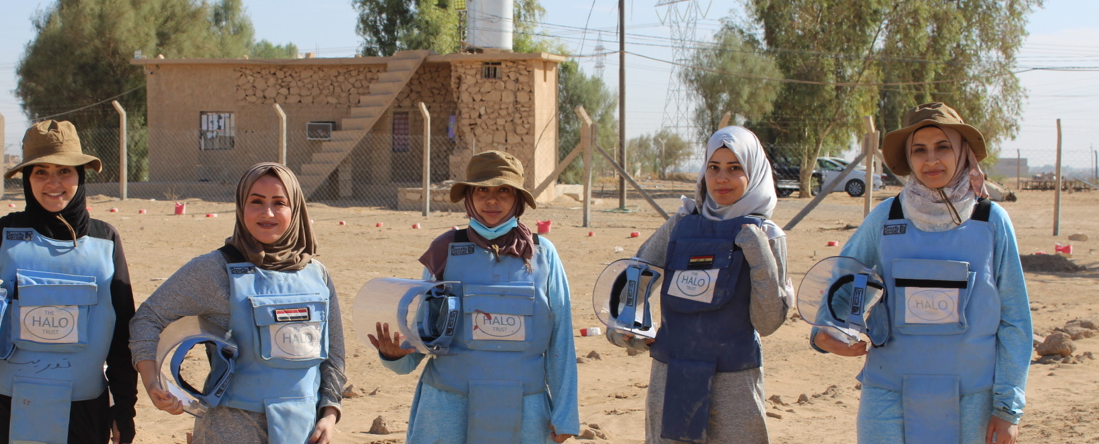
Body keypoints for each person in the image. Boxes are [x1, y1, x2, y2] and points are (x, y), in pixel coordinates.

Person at [811, 102, 1031, 444]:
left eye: (943, 147)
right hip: (888, 391)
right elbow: (845, 279)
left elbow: (1015, 321)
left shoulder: (991, 221)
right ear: (908, 159)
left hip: (972, 396)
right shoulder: (887, 217)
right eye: (919, 150)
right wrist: (827, 330)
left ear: (964, 152)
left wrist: (1007, 409)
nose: (931, 160)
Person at [0, 120, 138, 443]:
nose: (53, 182)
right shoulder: (0, 236)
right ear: (27, 179)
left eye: (64, 171)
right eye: (40, 172)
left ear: (81, 175)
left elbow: (122, 333)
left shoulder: (106, 241)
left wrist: (123, 409)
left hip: (83, 410)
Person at [369, 150, 580, 444]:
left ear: (518, 199)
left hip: (526, 408)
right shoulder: (444, 249)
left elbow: (561, 340)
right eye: (482, 190)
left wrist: (566, 413)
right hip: (447, 406)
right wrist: (393, 356)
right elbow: (421, 338)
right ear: (469, 196)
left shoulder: (544, 255)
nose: (491, 200)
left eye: (503, 190)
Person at [129, 163, 345, 444]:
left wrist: (329, 414)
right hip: (231, 429)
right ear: (241, 207)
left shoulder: (317, 275)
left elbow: (333, 355)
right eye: (256, 202)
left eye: (279, 203)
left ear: (296, 210)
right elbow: (147, 318)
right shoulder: (214, 270)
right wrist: (153, 382)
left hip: (304, 430)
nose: (267, 213)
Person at [605, 126, 791, 444]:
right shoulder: (679, 226)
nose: (721, 179)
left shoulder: (767, 236)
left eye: (735, 169)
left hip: (735, 383)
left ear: (755, 174)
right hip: (671, 378)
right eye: (713, 168)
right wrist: (628, 332)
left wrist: (760, 256)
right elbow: (630, 283)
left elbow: (768, 321)